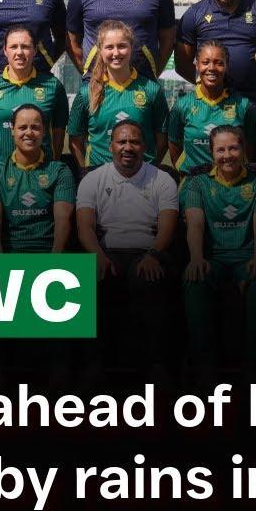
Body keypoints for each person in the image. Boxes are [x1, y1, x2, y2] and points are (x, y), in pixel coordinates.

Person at [76, 120, 179, 365]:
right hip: (106, 251)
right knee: (88, 283)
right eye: (122, 141)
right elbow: (85, 228)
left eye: (134, 142)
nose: (128, 147)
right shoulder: (92, 179)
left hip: (148, 252)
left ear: (144, 147)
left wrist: (153, 255)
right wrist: (98, 257)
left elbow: (167, 228)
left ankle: (157, 367)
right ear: (110, 146)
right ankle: (93, 368)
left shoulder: (163, 179)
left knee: (150, 280)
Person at [181, 125, 256, 370]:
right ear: (211, 153)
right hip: (214, 259)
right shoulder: (197, 183)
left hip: (247, 258)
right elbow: (195, 225)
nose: (227, 155)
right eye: (220, 150)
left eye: (233, 148)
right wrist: (196, 258)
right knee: (194, 278)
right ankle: (205, 370)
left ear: (243, 150)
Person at [67, 20, 168, 170]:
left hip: (141, 178)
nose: (116, 53)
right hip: (99, 177)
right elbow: (75, 141)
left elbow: (162, 140)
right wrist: (86, 172)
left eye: (121, 46)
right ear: (100, 50)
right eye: (109, 47)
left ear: (131, 47)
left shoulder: (152, 90)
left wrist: (147, 169)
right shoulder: (86, 92)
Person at [0, 26, 68, 169]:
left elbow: (59, 135)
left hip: (41, 173)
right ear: (5, 51)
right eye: (13, 47)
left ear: (35, 50)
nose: (19, 52)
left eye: (25, 47)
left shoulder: (53, 86)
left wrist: (50, 168)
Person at [0, 104, 75, 253]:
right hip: (8, 256)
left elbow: (63, 219)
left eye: (35, 127)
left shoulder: (60, 171)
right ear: (12, 131)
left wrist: (55, 260)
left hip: (48, 254)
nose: (29, 133)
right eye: (22, 127)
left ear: (44, 132)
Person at [167, 40, 256, 172]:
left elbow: (252, 154)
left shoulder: (243, 106)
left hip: (231, 183)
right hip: (193, 182)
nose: (211, 68)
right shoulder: (182, 106)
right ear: (197, 65)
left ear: (227, 66)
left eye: (219, 63)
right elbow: (174, 147)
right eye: (205, 62)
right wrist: (186, 174)